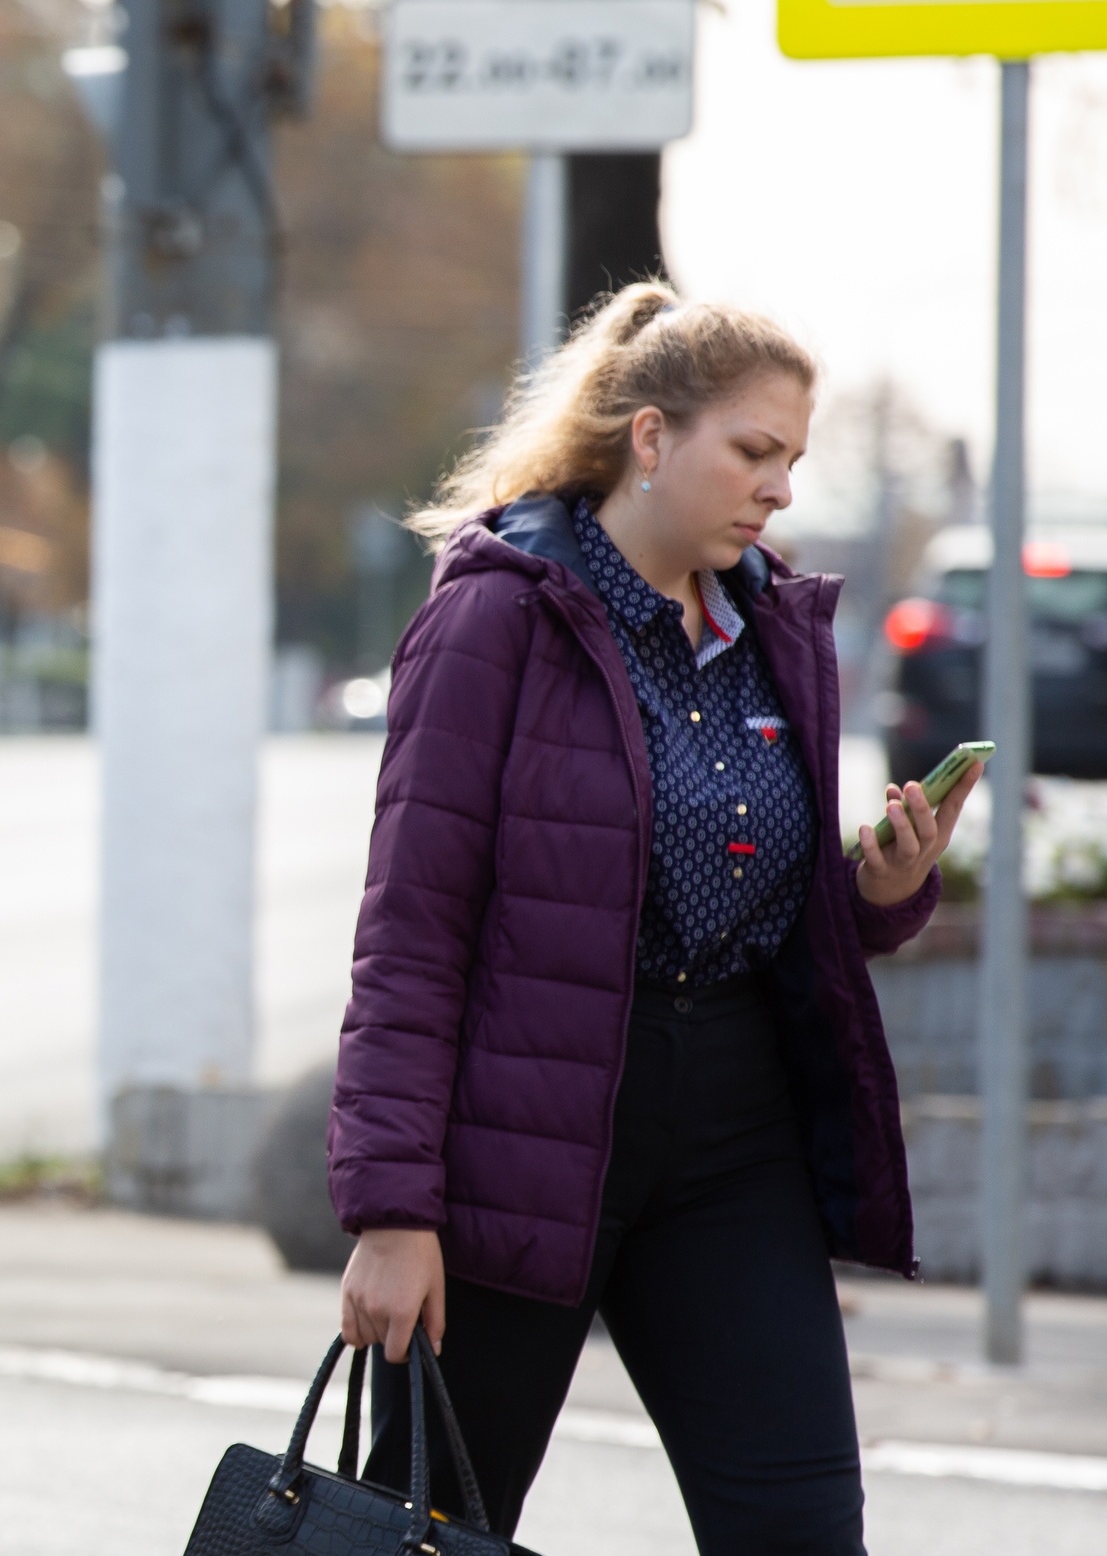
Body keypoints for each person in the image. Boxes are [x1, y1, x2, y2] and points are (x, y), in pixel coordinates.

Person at [327, 281, 977, 1553]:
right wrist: (392, 1213)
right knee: (421, 1530)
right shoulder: (495, 615)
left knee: (799, 1527)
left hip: (733, 1136)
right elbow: (411, 930)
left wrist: (881, 892)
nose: (778, 487)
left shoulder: (770, 627)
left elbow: (760, 896)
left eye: (791, 458)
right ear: (648, 437)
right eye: (752, 450)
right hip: (523, 1134)